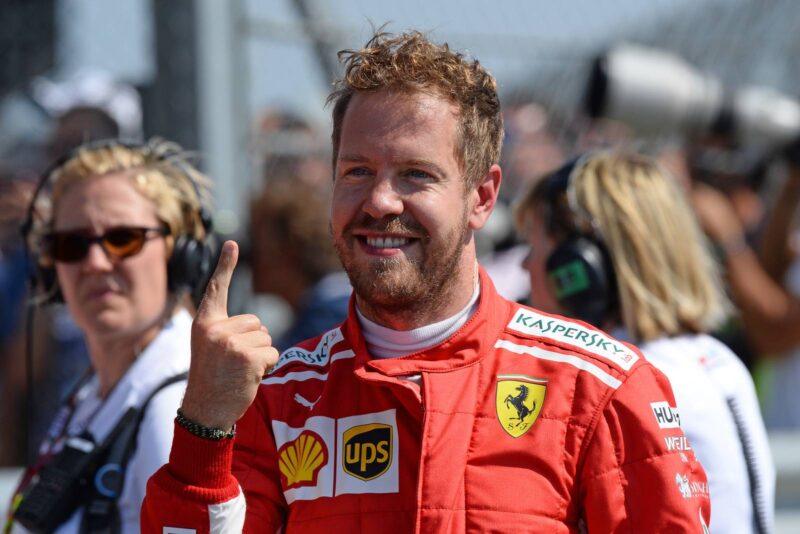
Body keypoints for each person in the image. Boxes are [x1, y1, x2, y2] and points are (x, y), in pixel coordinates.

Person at [142, 31, 710, 532]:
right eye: (357, 172)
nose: (381, 201)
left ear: (481, 197)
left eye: (416, 175)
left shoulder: (601, 389)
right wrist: (204, 424)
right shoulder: (275, 400)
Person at [515, 151, 774, 533]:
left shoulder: (620, 381)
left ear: (581, 269)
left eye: (535, 245)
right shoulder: (717, 358)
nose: (525, 265)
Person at [6, 138, 214, 533]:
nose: (96, 263)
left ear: (179, 253)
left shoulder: (178, 410)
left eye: (123, 239)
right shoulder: (92, 395)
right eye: (72, 244)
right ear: (50, 269)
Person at [248, 178, 350, 350]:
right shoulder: (328, 304)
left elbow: (281, 366)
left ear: (288, 251)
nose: (249, 261)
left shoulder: (329, 315)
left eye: (256, 246)